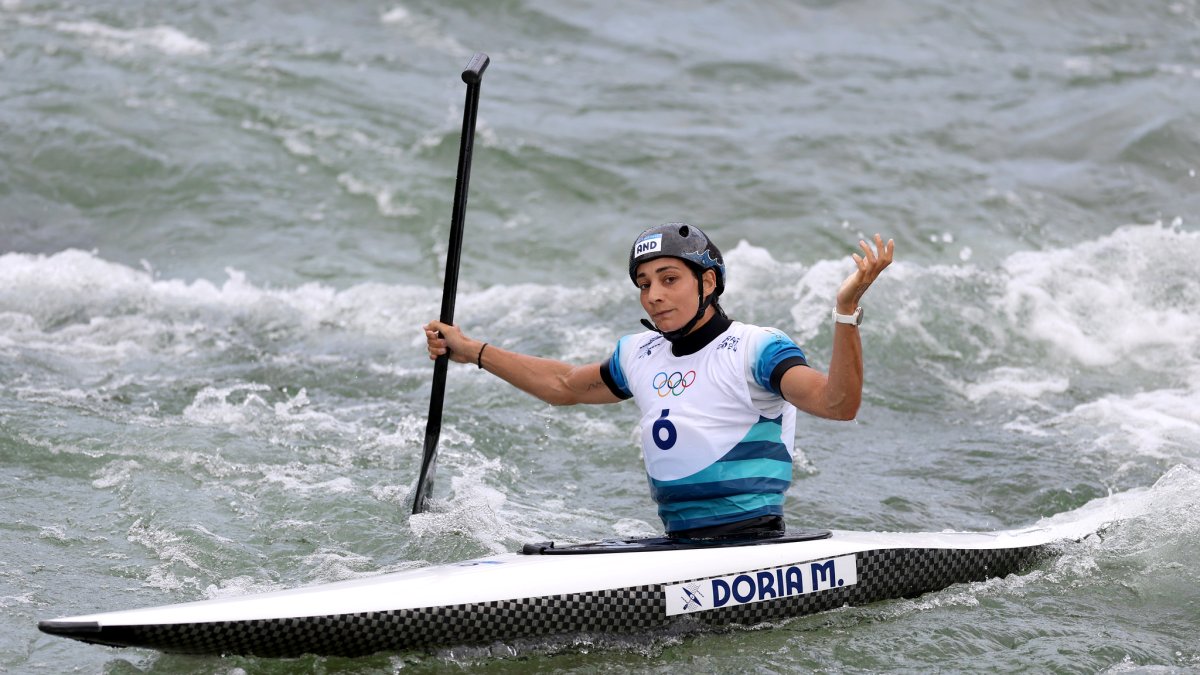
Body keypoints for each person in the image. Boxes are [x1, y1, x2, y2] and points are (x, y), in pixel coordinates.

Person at [424, 223, 894, 540]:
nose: (654, 295)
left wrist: (846, 312)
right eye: (644, 284)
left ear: (708, 283)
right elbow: (564, 385)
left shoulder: (756, 349)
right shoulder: (639, 354)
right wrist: (472, 351)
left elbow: (838, 404)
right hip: (678, 545)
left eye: (669, 279)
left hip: (752, 544)